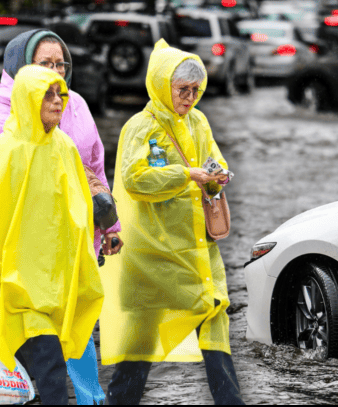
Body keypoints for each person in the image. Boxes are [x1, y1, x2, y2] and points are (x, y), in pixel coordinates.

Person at [0, 65, 104, 405]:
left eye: (60, 93)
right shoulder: (4, 150)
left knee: (44, 365)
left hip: (57, 280)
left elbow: (76, 212)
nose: (57, 101)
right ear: (27, 97)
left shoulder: (64, 147)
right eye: (47, 94)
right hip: (18, 283)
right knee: (49, 363)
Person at [100, 39, 244, 405]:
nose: (190, 97)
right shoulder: (140, 127)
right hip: (156, 255)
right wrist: (187, 175)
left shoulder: (198, 121)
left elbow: (213, 160)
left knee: (215, 324)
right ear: (163, 85)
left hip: (199, 252)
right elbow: (134, 180)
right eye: (183, 89)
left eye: (197, 89)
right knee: (140, 348)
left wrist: (217, 174)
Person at [0, 29, 121, 405]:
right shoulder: (1, 112)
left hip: (75, 236)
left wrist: (110, 223)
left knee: (79, 323)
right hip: (29, 248)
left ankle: (91, 399)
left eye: (61, 64)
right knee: (41, 344)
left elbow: (95, 165)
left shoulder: (74, 103)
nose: (57, 73)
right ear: (23, 68)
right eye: (46, 64)